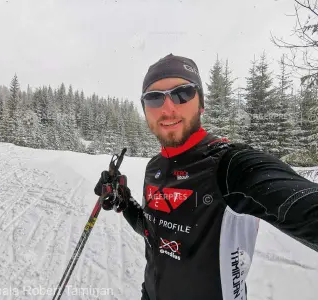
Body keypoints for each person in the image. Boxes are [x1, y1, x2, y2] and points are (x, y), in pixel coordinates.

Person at [94, 53, 318, 300]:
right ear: (145, 110)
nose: (168, 108)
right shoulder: (154, 168)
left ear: (201, 103)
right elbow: (154, 233)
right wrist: (123, 202)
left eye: (183, 93)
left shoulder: (231, 166)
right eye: (154, 98)